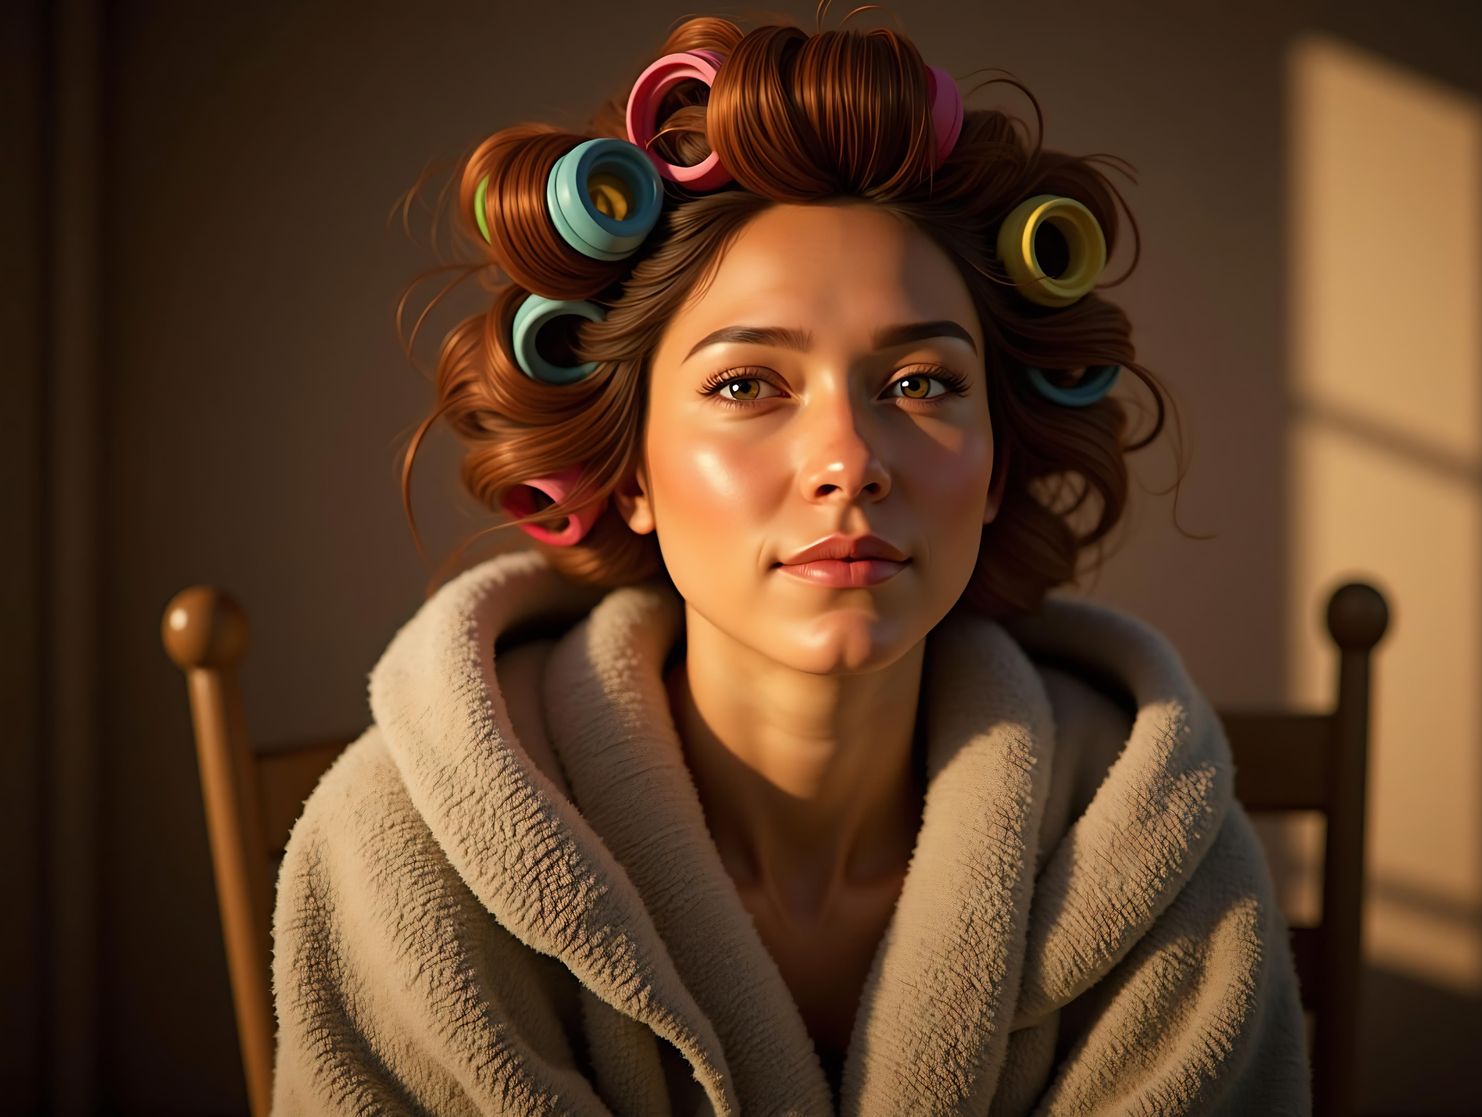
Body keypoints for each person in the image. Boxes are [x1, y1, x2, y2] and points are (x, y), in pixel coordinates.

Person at [269, 8, 1312, 1115]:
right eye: (744, 385)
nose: (849, 464)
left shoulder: (1157, 843)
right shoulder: (405, 848)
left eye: (921, 384)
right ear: (629, 470)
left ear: (1000, 462)